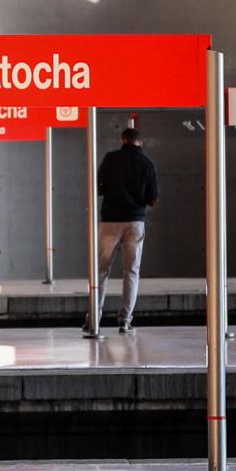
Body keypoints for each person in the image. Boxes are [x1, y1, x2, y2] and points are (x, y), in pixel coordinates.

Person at [90, 118, 156, 334]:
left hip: (110, 220)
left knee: (101, 270)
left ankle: (94, 318)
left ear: (123, 140)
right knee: (131, 272)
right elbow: (152, 199)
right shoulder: (147, 164)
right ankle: (125, 320)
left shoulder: (110, 159)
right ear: (139, 142)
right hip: (135, 222)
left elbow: (97, 188)